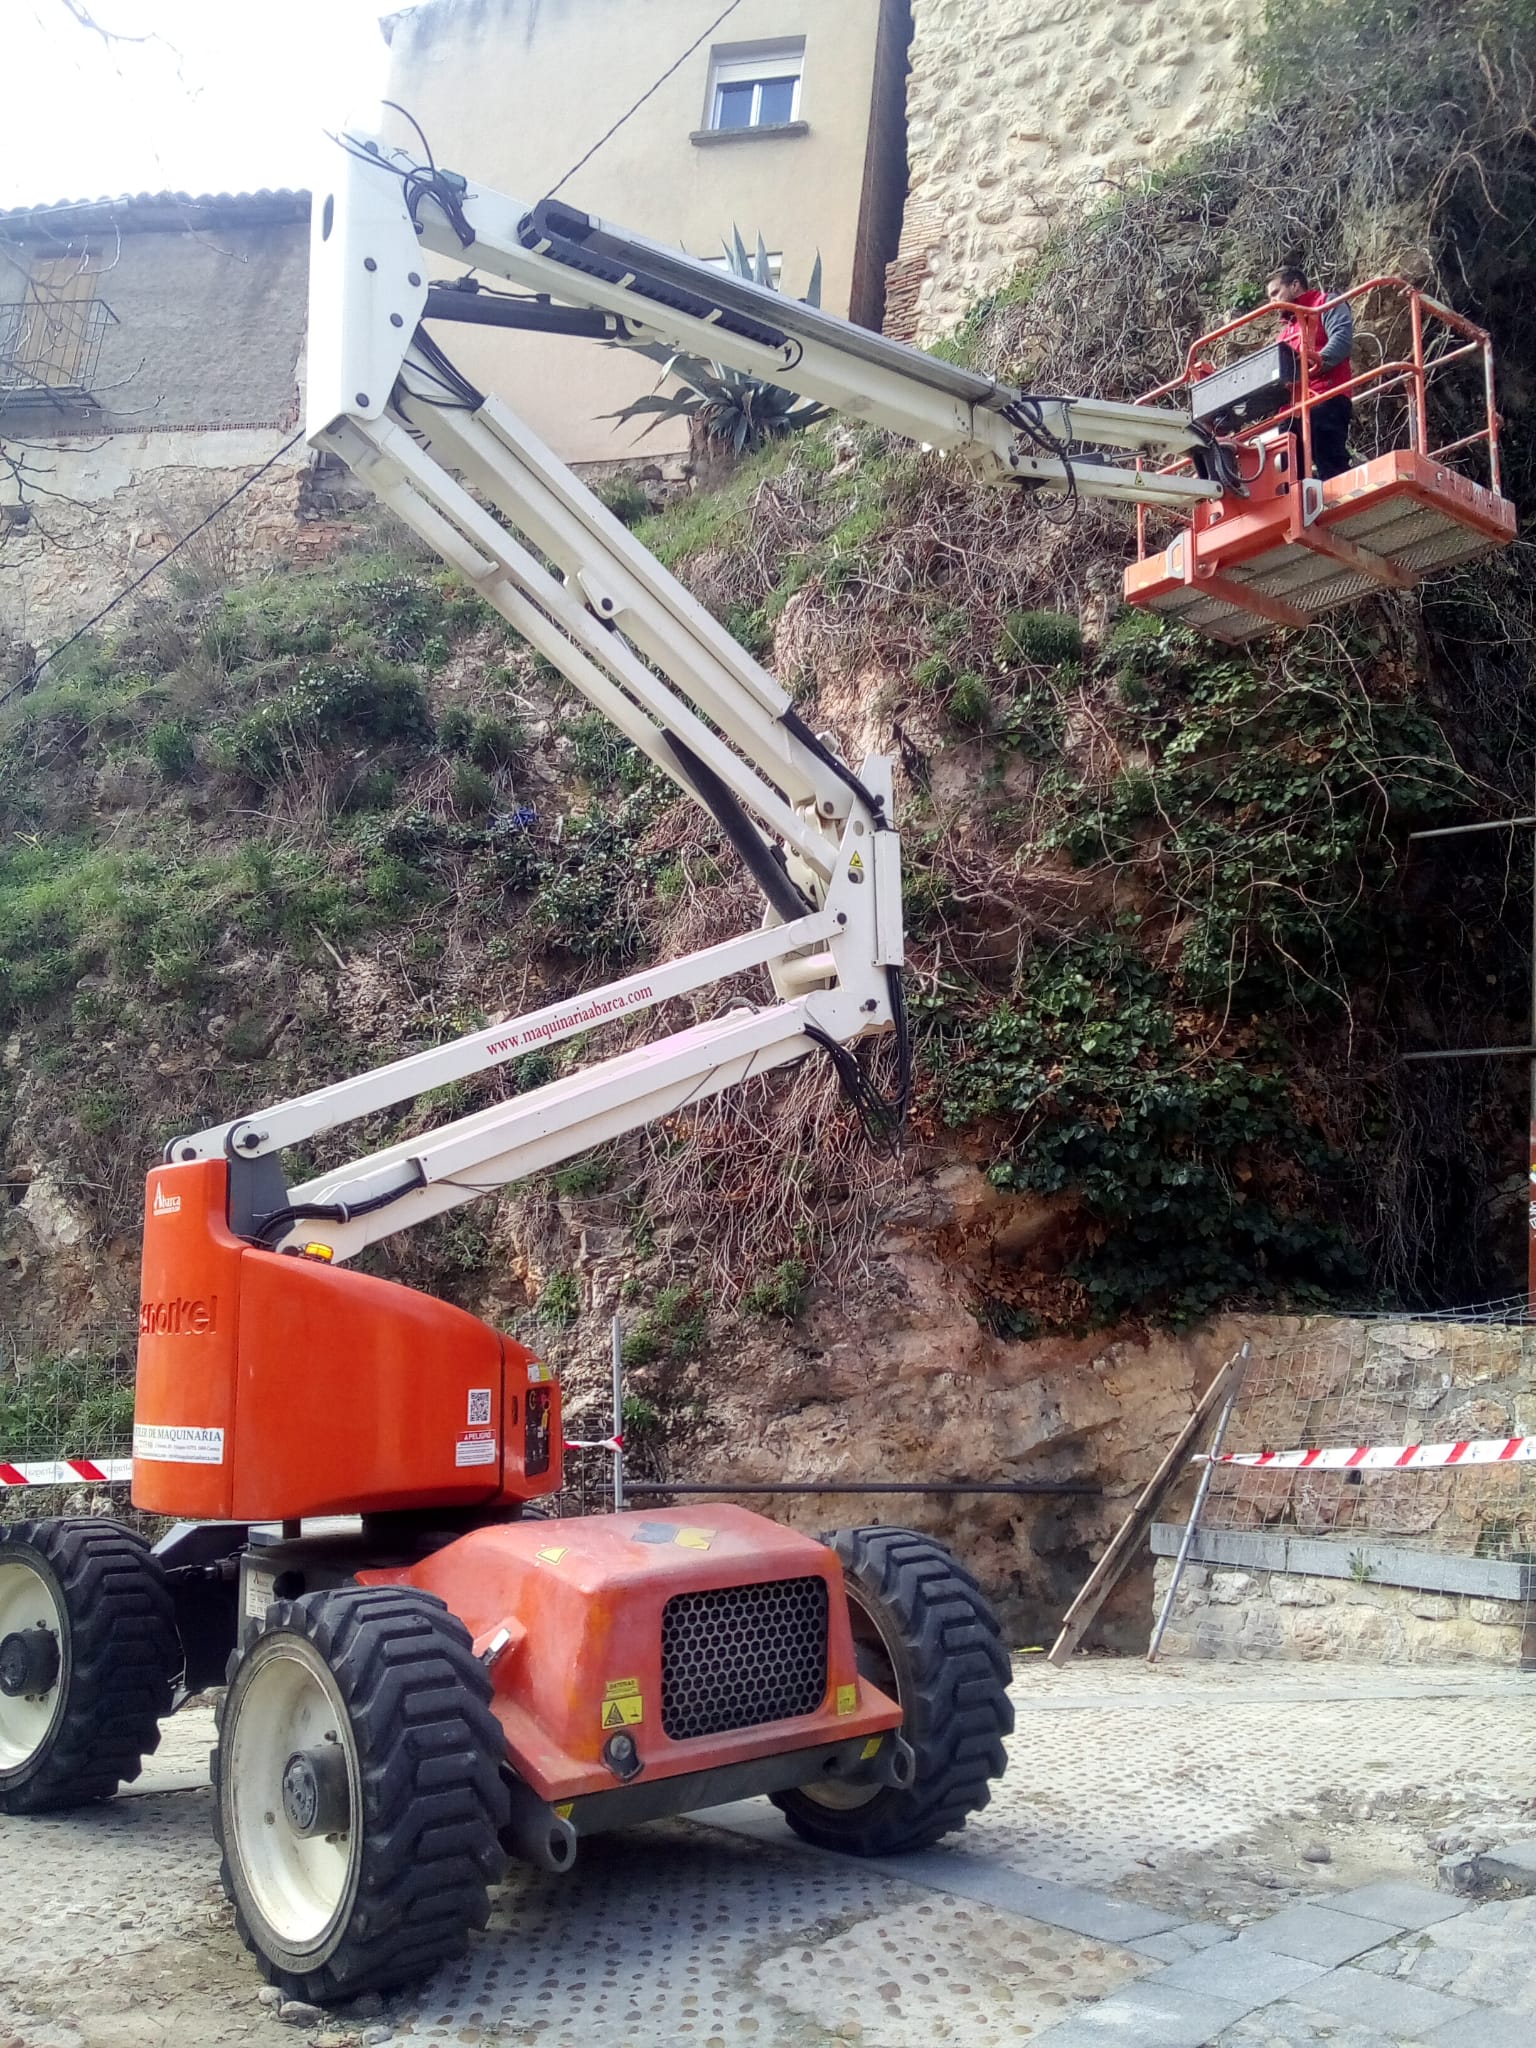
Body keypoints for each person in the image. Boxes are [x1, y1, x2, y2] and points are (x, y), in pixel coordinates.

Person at [1266, 264, 1355, 480]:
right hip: (1294, 407)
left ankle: (1336, 495)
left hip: (1327, 395)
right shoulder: (1285, 334)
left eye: (1276, 293)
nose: (1272, 302)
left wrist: (1314, 363)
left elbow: (1342, 339)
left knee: (1328, 455)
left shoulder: (1325, 304)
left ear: (1295, 285)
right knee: (1288, 469)